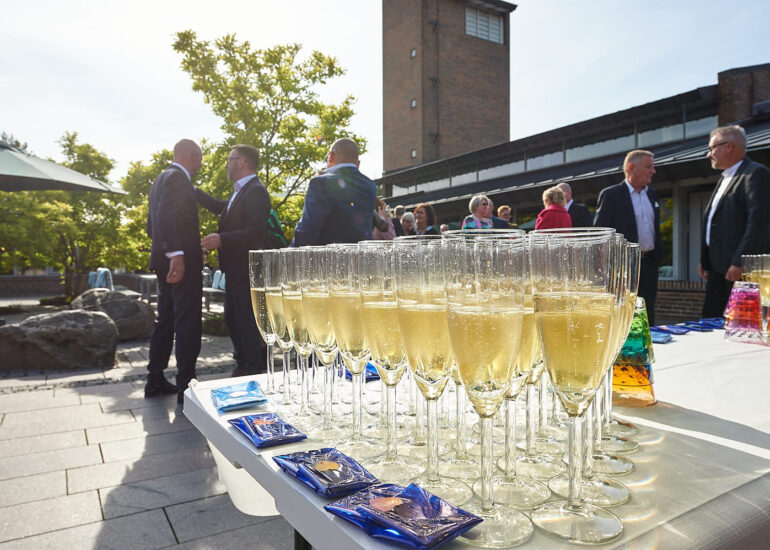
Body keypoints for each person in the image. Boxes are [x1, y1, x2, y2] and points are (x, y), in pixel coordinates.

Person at [196, 145, 272, 377]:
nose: (227, 165)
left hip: (246, 269)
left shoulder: (256, 191)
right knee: (234, 318)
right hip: (235, 269)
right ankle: (244, 362)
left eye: (229, 160)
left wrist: (222, 239)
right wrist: (194, 192)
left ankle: (252, 369)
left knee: (246, 321)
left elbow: (256, 231)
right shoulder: (241, 190)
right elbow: (222, 208)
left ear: (242, 162)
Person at [145, 139, 204, 403]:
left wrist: (166, 252)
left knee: (166, 319)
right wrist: (177, 254)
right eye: (200, 158)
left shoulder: (160, 179)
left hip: (163, 261)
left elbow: (152, 225)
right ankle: (187, 384)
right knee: (187, 321)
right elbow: (164, 216)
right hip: (181, 264)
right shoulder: (178, 179)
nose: (200, 164)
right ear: (193, 156)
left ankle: (155, 380)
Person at [698, 125, 770, 317]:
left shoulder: (755, 174)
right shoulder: (725, 178)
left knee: (741, 324)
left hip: (740, 271)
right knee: (711, 322)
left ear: (729, 146)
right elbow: (713, 222)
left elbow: (758, 223)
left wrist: (740, 262)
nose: (709, 154)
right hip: (717, 270)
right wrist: (705, 260)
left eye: (712, 148)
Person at [595, 150, 662, 325]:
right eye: (648, 167)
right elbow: (601, 234)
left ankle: (649, 340)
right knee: (624, 312)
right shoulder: (612, 195)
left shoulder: (652, 194)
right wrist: (603, 268)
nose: (653, 171)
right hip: (623, 267)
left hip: (649, 263)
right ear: (631, 167)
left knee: (647, 310)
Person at [293, 138, 377, 245]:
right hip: (360, 253)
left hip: (327, 254)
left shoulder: (319, 183)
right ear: (358, 163)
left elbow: (307, 231)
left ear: (331, 156)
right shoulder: (370, 185)